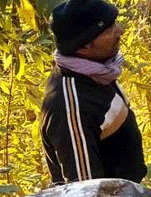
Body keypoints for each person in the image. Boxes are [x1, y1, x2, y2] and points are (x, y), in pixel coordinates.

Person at [41, 0, 145, 184]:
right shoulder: (70, 106)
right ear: (83, 47)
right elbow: (85, 192)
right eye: (108, 29)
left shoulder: (97, 72)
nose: (119, 31)